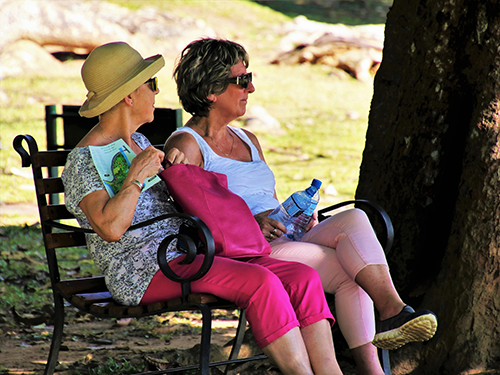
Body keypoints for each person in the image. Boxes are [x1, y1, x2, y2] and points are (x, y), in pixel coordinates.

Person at [61, 41, 344, 375]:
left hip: (186, 256)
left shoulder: (138, 143)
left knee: (302, 276)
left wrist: (179, 172)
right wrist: (135, 177)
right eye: (150, 84)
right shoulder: (83, 161)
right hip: (143, 272)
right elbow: (110, 228)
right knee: (260, 283)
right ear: (128, 95)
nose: (157, 92)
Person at [164, 37, 438, 375]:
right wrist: (255, 222)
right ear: (211, 91)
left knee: (354, 219)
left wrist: (294, 215)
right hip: (246, 252)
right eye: (241, 80)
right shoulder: (187, 144)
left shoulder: (249, 139)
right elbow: (195, 215)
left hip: (282, 238)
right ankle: (385, 332)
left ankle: (390, 315)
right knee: (350, 270)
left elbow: (266, 200)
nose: (251, 88)